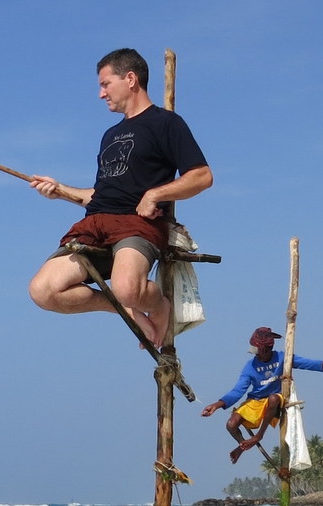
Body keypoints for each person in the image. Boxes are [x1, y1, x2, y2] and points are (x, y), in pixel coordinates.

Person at [27, 48, 213, 348]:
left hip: (136, 224)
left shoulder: (167, 123)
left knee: (128, 287)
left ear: (130, 79)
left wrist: (156, 194)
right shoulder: (110, 135)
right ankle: (124, 309)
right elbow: (100, 194)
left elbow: (202, 176)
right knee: (43, 291)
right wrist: (60, 190)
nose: (101, 94)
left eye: (105, 84)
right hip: (95, 224)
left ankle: (158, 305)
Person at [201, 326, 323, 463]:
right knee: (231, 425)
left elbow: (308, 363)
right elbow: (238, 391)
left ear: (265, 349)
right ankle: (242, 445)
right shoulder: (249, 366)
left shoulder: (283, 357)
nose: (254, 352)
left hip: (275, 400)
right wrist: (217, 405)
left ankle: (258, 436)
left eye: (256, 349)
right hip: (255, 400)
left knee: (273, 398)